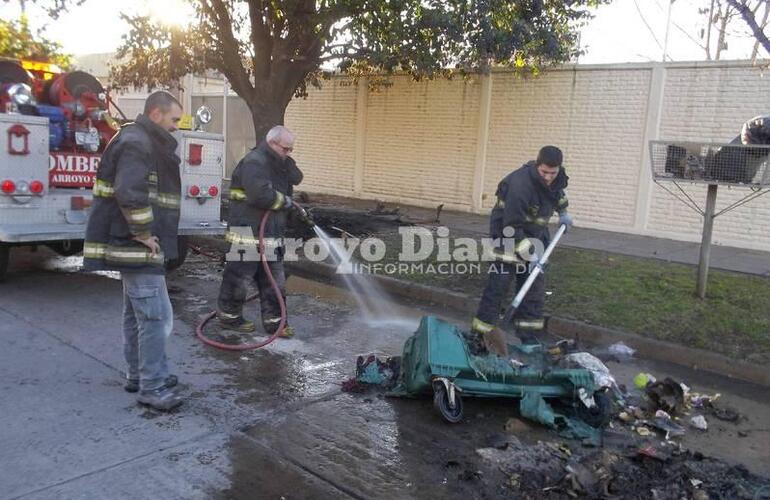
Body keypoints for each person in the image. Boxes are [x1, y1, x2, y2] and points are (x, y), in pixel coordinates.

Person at [83, 91, 184, 411]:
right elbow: (130, 192)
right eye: (174, 119)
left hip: (132, 242)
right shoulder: (137, 142)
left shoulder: (139, 139)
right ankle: (151, 386)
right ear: (156, 114)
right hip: (136, 243)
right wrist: (143, 232)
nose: (176, 127)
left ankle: (138, 375)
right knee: (154, 318)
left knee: (136, 314)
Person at [470, 145, 572, 357]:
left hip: (535, 237)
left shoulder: (556, 177)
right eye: (544, 172)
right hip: (507, 236)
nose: (548, 178)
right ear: (537, 165)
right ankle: (480, 336)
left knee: (533, 289)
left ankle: (529, 338)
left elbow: (558, 194)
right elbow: (512, 226)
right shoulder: (520, 185)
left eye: (553, 173)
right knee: (498, 287)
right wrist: (530, 255)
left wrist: (564, 212)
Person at [217, 125, 303, 337]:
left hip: (270, 233)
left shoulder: (276, 164)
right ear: (272, 143)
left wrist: (287, 164)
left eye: (291, 149)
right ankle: (230, 317)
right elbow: (260, 195)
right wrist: (287, 202)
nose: (288, 153)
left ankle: (276, 323)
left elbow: (296, 178)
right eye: (286, 149)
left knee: (274, 280)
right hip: (246, 233)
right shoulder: (255, 162)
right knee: (239, 278)